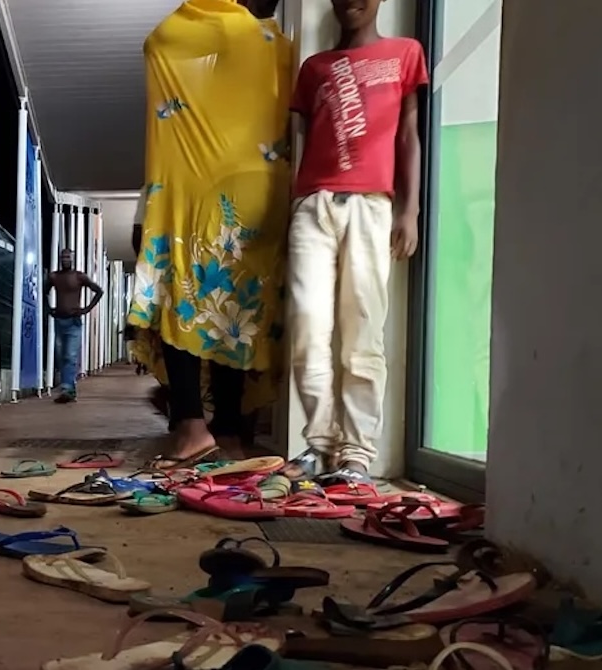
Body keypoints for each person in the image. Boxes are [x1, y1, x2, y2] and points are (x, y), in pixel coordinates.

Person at [128, 0, 292, 468]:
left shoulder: (212, 27)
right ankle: (230, 433)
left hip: (200, 188)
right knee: (234, 311)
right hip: (260, 192)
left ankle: (192, 429)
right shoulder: (276, 46)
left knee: (184, 294)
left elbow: (157, 42)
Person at [283, 0, 426, 484]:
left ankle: (357, 454)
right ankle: (319, 443)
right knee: (307, 326)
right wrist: (293, 205)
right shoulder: (314, 68)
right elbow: (298, 143)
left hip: (371, 206)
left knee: (364, 332)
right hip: (313, 206)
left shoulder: (405, 53)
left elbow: (409, 134)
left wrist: (409, 209)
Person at [45, 248, 104, 403]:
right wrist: (49, 309)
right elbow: (44, 291)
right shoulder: (54, 276)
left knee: (70, 356)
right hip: (59, 321)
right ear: (59, 259)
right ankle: (70, 389)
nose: (65, 259)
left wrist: (86, 309)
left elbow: (98, 291)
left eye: (68, 257)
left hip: (74, 321)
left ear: (72, 259)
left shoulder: (78, 276)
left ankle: (66, 389)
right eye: (63, 257)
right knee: (61, 356)